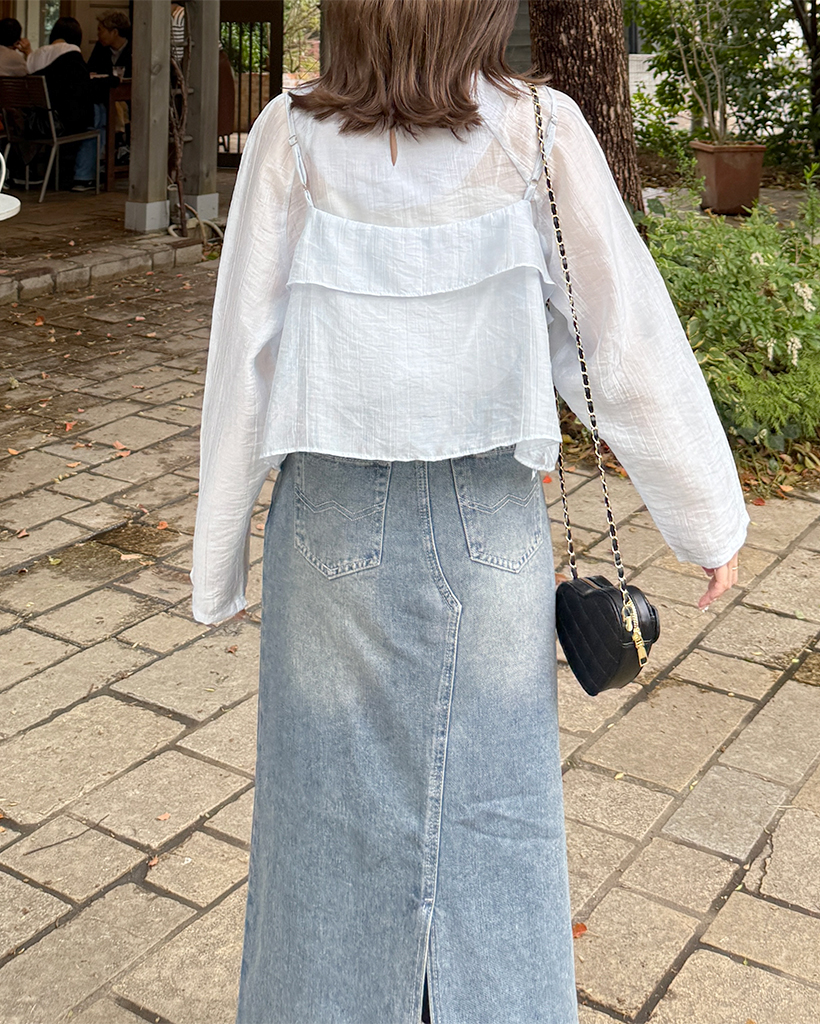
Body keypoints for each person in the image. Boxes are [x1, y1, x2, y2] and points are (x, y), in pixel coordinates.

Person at [190, 2, 747, 1021]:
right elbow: (616, 341)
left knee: (322, 816)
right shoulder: (539, 130)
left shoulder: (290, 133)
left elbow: (245, 360)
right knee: (494, 812)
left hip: (329, 520)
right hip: (486, 519)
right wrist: (706, 518)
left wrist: (216, 561)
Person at [25, 17, 97, 192]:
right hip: (61, 123)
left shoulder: (34, 56)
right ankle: (83, 176)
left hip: (34, 122)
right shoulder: (71, 53)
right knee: (100, 115)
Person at [87, 10, 131, 78]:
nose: (98, 34)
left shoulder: (133, 51)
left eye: (100, 30)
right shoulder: (100, 48)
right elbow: (90, 70)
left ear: (115, 32)